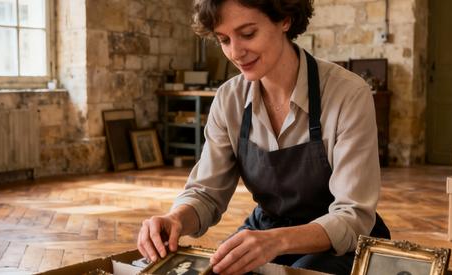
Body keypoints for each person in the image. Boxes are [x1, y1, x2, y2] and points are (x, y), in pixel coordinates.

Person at [136, 0, 390, 274]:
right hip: (266, 231)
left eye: (247, 34)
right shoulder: (228, 99)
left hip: (341, 242)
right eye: (224, 40)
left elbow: (353, 217)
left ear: (284, 20)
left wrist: (278, 241)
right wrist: (175, 219)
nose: (235, 52)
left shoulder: (348, 94)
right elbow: (206, 194)